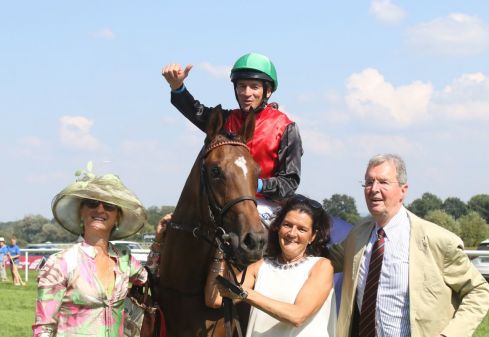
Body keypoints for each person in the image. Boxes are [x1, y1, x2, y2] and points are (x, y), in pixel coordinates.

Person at [329, 154, 489, 337]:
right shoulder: (357, 235)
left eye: (383, 182)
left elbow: (479, 291)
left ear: (403, 190)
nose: (374, 189)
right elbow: (325, 259)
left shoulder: (437, 240)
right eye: (368, 182)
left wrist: (451, 335)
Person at [161, 52, 303, 223]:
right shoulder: (224, 120)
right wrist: (178, 87)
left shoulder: (286, 127)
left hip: (266, 205)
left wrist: (255, 184)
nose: (246, 93)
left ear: (268, 91)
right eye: (241, 86)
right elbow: (195, 111)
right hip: (225, 202)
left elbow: (289, 182)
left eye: (254, 86)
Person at [32, 172, 149, 337]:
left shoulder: (125, 259)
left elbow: (154, 278)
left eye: (109, 205)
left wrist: (160, 240)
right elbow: (44, 328)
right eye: (92, 203)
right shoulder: (60, 263)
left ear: (117, 217)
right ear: (81, 211)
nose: (100, 209)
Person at [205, 194, 337, 337]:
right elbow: (216, 299)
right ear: (278, 228)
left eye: (301, 229)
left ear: (312, 236)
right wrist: (220, 252)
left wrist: (246, 294)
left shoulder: (322, 266)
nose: (292, 233)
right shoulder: (261, 266)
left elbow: (297, 316)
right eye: (287, 225)